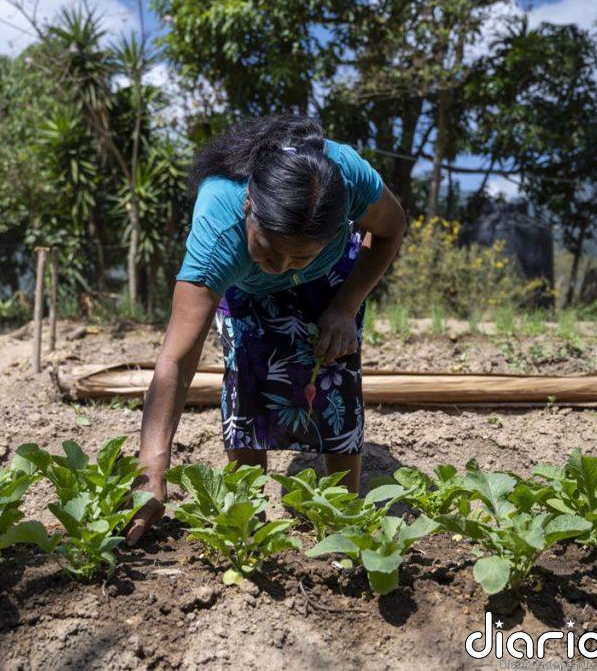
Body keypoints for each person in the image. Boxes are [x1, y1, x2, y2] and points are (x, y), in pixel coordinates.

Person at [125, 114, 406, 546]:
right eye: (270, 250)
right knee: (247, 379)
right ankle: (246, 519)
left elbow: (391, 230)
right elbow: (176, 360)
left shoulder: (349, 177)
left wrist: (345, 307)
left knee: (335, 375)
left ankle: (342, 517)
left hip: (331, 281)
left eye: (299, 257)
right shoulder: (219, 230)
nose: (281, 268)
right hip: (245, 286)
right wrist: (152, 468)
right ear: (249, 207)